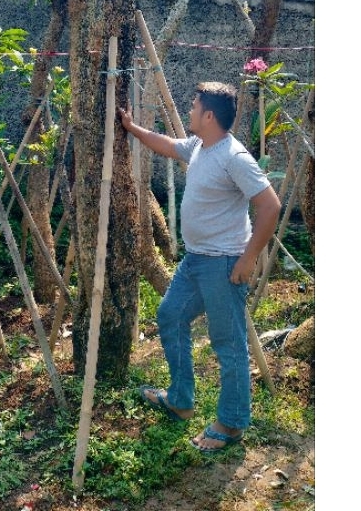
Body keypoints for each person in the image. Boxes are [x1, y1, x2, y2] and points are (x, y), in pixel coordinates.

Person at [118, 81, 281, 453]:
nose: (188, 111)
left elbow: (269, 206)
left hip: (224, 264)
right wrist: (131, 128)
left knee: (228, 346)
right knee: (171, 315)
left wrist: (249, 257)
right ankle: (180, 400)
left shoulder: (234, 157)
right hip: (195, 260)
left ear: (208, 115)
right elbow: (168, 146)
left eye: (193, 106)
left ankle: (232, 423)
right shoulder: (200, 147)